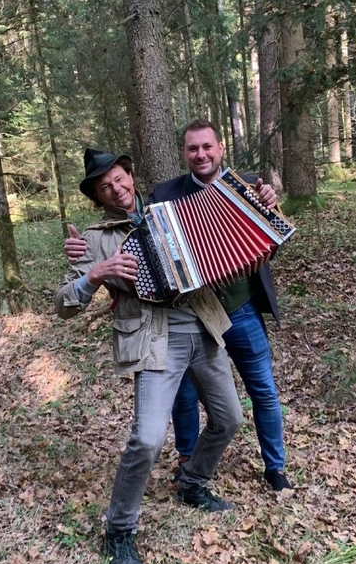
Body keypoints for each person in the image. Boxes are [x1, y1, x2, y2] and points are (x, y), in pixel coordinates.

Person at [65, 121, 292, 493]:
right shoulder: (164, 197)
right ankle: (187, 462)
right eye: (192, 149)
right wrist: (88, 264)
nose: (201, 155)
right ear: (184, 154)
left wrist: (270, 202)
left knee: (258, 393)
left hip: (237, 310)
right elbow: (116, 244)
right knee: (183, 398)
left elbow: (270, 233)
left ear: (220, 148)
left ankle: (274, 468)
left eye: (207, 147)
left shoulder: (246, 185)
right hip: (188, 319)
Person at [55, 149, 243, 564]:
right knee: (148, 437)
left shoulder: (172, 206)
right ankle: (119, 531)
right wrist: (94, 275)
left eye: (119, 178)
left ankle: (192, 484)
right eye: (105, 187)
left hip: (203, 326)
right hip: (156, 340)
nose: (116, 188)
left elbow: (227, 198)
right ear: (98, 197)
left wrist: (263, 195)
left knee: (230, 418)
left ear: (130, 175)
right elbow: (63, 304)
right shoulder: (94, 240)